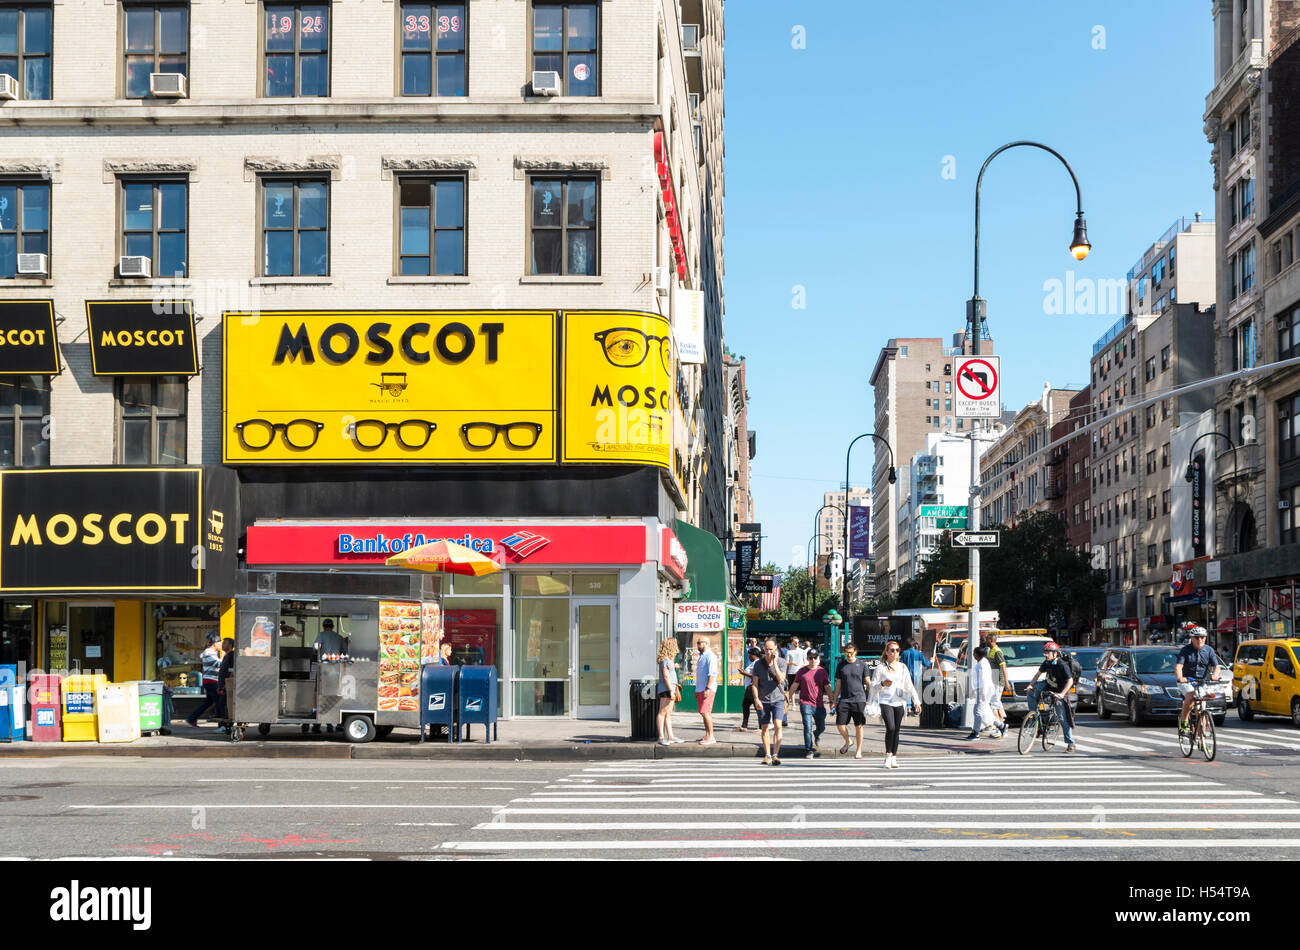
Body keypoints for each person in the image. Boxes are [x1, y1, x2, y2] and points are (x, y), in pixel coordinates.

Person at [871, 640, 921, 769]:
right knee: (891, 728)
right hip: (885, 701)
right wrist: (882, 684)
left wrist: (916, 701)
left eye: (897, 650)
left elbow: (909, 685)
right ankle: (887, 756)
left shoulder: (903, 667)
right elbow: (872, 686)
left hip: (899, 701)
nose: (895, 652)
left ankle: (894, 757)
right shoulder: (880, 667)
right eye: (892, 650)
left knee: (897, 730)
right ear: (887, 652)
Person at [1025, 641, 1076, 753]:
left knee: (1063, 718)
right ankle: (1035, 719)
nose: (1046, 654)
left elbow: (1070, 681)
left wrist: (1062, 694)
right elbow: (1037, 675)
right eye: (1045, 652)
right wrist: (1030, 685)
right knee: (1031, 693)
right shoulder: (1046, 663)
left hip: (1060, 691)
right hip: (1049, 685)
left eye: (1048, 652)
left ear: (1055, 654)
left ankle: (1070, 743)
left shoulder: (1062, 665)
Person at [1175, 623, 1223, 733]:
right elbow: (1178, 667)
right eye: (1196, 637)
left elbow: (1217, 666)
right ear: (1192, 638)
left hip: (1201, 682)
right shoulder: (1185, 650)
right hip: (1187, 681)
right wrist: (1180, 677)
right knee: (1191, 695)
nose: (1200, 640)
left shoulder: (1209, 650)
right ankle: (1184, 720)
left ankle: (1201, 739)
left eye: (1202, 637)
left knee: (1202, 708)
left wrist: (1215, 675)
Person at [750, 638, 788, 765]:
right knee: (765, 727)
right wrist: (756, 699)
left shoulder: (782, 662)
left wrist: (775, 663)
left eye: (771, 649)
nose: (768, 652)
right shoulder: (758, 664)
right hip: (763, 700)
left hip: (778, 699)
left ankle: (776, 754)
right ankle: (767, 755)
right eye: (766, 649)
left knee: (778, 725)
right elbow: (754, 684)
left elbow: (781, 679)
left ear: (776, 649)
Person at [830, 643, 870, 758]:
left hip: (859, 699)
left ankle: (858, 751)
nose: (848, 655)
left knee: (859, 725)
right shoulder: (841, 665)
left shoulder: (862, 665)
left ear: (855, 652)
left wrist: (870, 696)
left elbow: (868, 681)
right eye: (846, 653)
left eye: (850, 652)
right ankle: (848, 741)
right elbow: (838, 683)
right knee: (840, 725)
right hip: (844, 699)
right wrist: (834, 700)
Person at [790, 650, 831, 757]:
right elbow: (795, 685)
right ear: (807, 659)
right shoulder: (801, 671)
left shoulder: (822, 671)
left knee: (821, 727)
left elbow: (827, 687)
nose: (813, 660)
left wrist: (832, 701)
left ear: (818, 658)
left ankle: (817, 734)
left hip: (819, 705)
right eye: (810, 658)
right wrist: (787, 699)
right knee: (807, 727)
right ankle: (809, 749)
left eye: (815, 658)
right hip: (805, 703)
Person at [185, 632, 223, 728]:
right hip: (211, 681)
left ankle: (191, 718)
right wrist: (225, 657)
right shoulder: (208, 653)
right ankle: (222, 725)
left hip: (210, 681)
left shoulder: (212, 653)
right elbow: (218, 664)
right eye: (220, 643)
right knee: (219, 700)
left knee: (209, 702)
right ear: (215, 644)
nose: (221, 645)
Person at [965, 645, 1001, 740]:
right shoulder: (982, 662)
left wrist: (983, 693)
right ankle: (1001, 726)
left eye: (973, 653)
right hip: (981, 690)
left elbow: (984, 679)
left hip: (984, 690)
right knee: (985, 711)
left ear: (977, 654)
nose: (972, 655)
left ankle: (975, 733)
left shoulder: (982, 664)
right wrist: (973, 691)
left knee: (978, 712)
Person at [656, 637, 682, 746]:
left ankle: (671, 736)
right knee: (662, 712)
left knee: (668, 713)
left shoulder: (668, 661)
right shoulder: (665, 660)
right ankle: (661, 737)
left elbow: (669, 673)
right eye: (675, 645)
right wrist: (671, 691)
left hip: (670, 688)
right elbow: (666, 676)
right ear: (671, 646)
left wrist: (674, 667)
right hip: (667, 689)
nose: (676, 647)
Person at [982, 631, 1009, 735]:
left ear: (992, 641)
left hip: (997, 681)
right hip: (993, 681)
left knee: (994, 705)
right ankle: (999, 725)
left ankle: (1000, 728)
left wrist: (1006, 682)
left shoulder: (997, 651)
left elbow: (1003, 666)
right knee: (996, 704)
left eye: (988, 639)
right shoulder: (991, 650)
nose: (986, 641)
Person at [694, 637, 719, 744]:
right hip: (701, 688)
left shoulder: (710, 656)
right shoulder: (701, 656)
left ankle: (711, 736)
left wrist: (707, 688)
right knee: (702, 712)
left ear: (707, 643)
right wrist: (697, 689)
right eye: (697, 643)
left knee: (706, 712)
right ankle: (707, 734)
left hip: (707, 688)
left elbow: (712, 674)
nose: (698, 645)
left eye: (700, 643)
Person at [736, 646, 761, 731]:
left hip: (752, 687)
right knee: (746, 705)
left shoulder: (757, 663)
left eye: (750, 655)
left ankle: (760, 726)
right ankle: (744, 726)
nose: (749, 657)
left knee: (754, 706)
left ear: (754, 655)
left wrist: (744, 673)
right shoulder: (754, 663)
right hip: (750, 687)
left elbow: (756, 676)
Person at [900, 639, 932, 707]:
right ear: (914, 645)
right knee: (916, 691)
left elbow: (901, 665)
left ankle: (908, 707)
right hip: (916, 675)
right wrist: (931, 661)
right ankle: (916, 707)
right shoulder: (918, 653)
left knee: (907, 689)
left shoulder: (904, 653)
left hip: (906, 674)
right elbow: (926, 664)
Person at [215, 637, 235, 732]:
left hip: (227, 685)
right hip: (222, 684)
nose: (222, 645)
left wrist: (227, 684)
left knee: (223, 705)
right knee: (222, 705)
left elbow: (232, 671)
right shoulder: (226, 655)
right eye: (222, 643)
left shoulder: (232, 655)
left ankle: (225, 726)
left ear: (230, 645)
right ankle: (225, 725)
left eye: (225, 643)